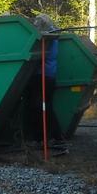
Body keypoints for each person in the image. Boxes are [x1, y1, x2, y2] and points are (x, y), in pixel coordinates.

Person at [27, 13, 67, 155]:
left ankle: (51, 137)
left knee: (41, 107)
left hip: (43, 76)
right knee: (44, 107)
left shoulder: (48, 37)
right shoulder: (53, 34)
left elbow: (43, 54)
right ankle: (50, 137)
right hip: (48, 75)